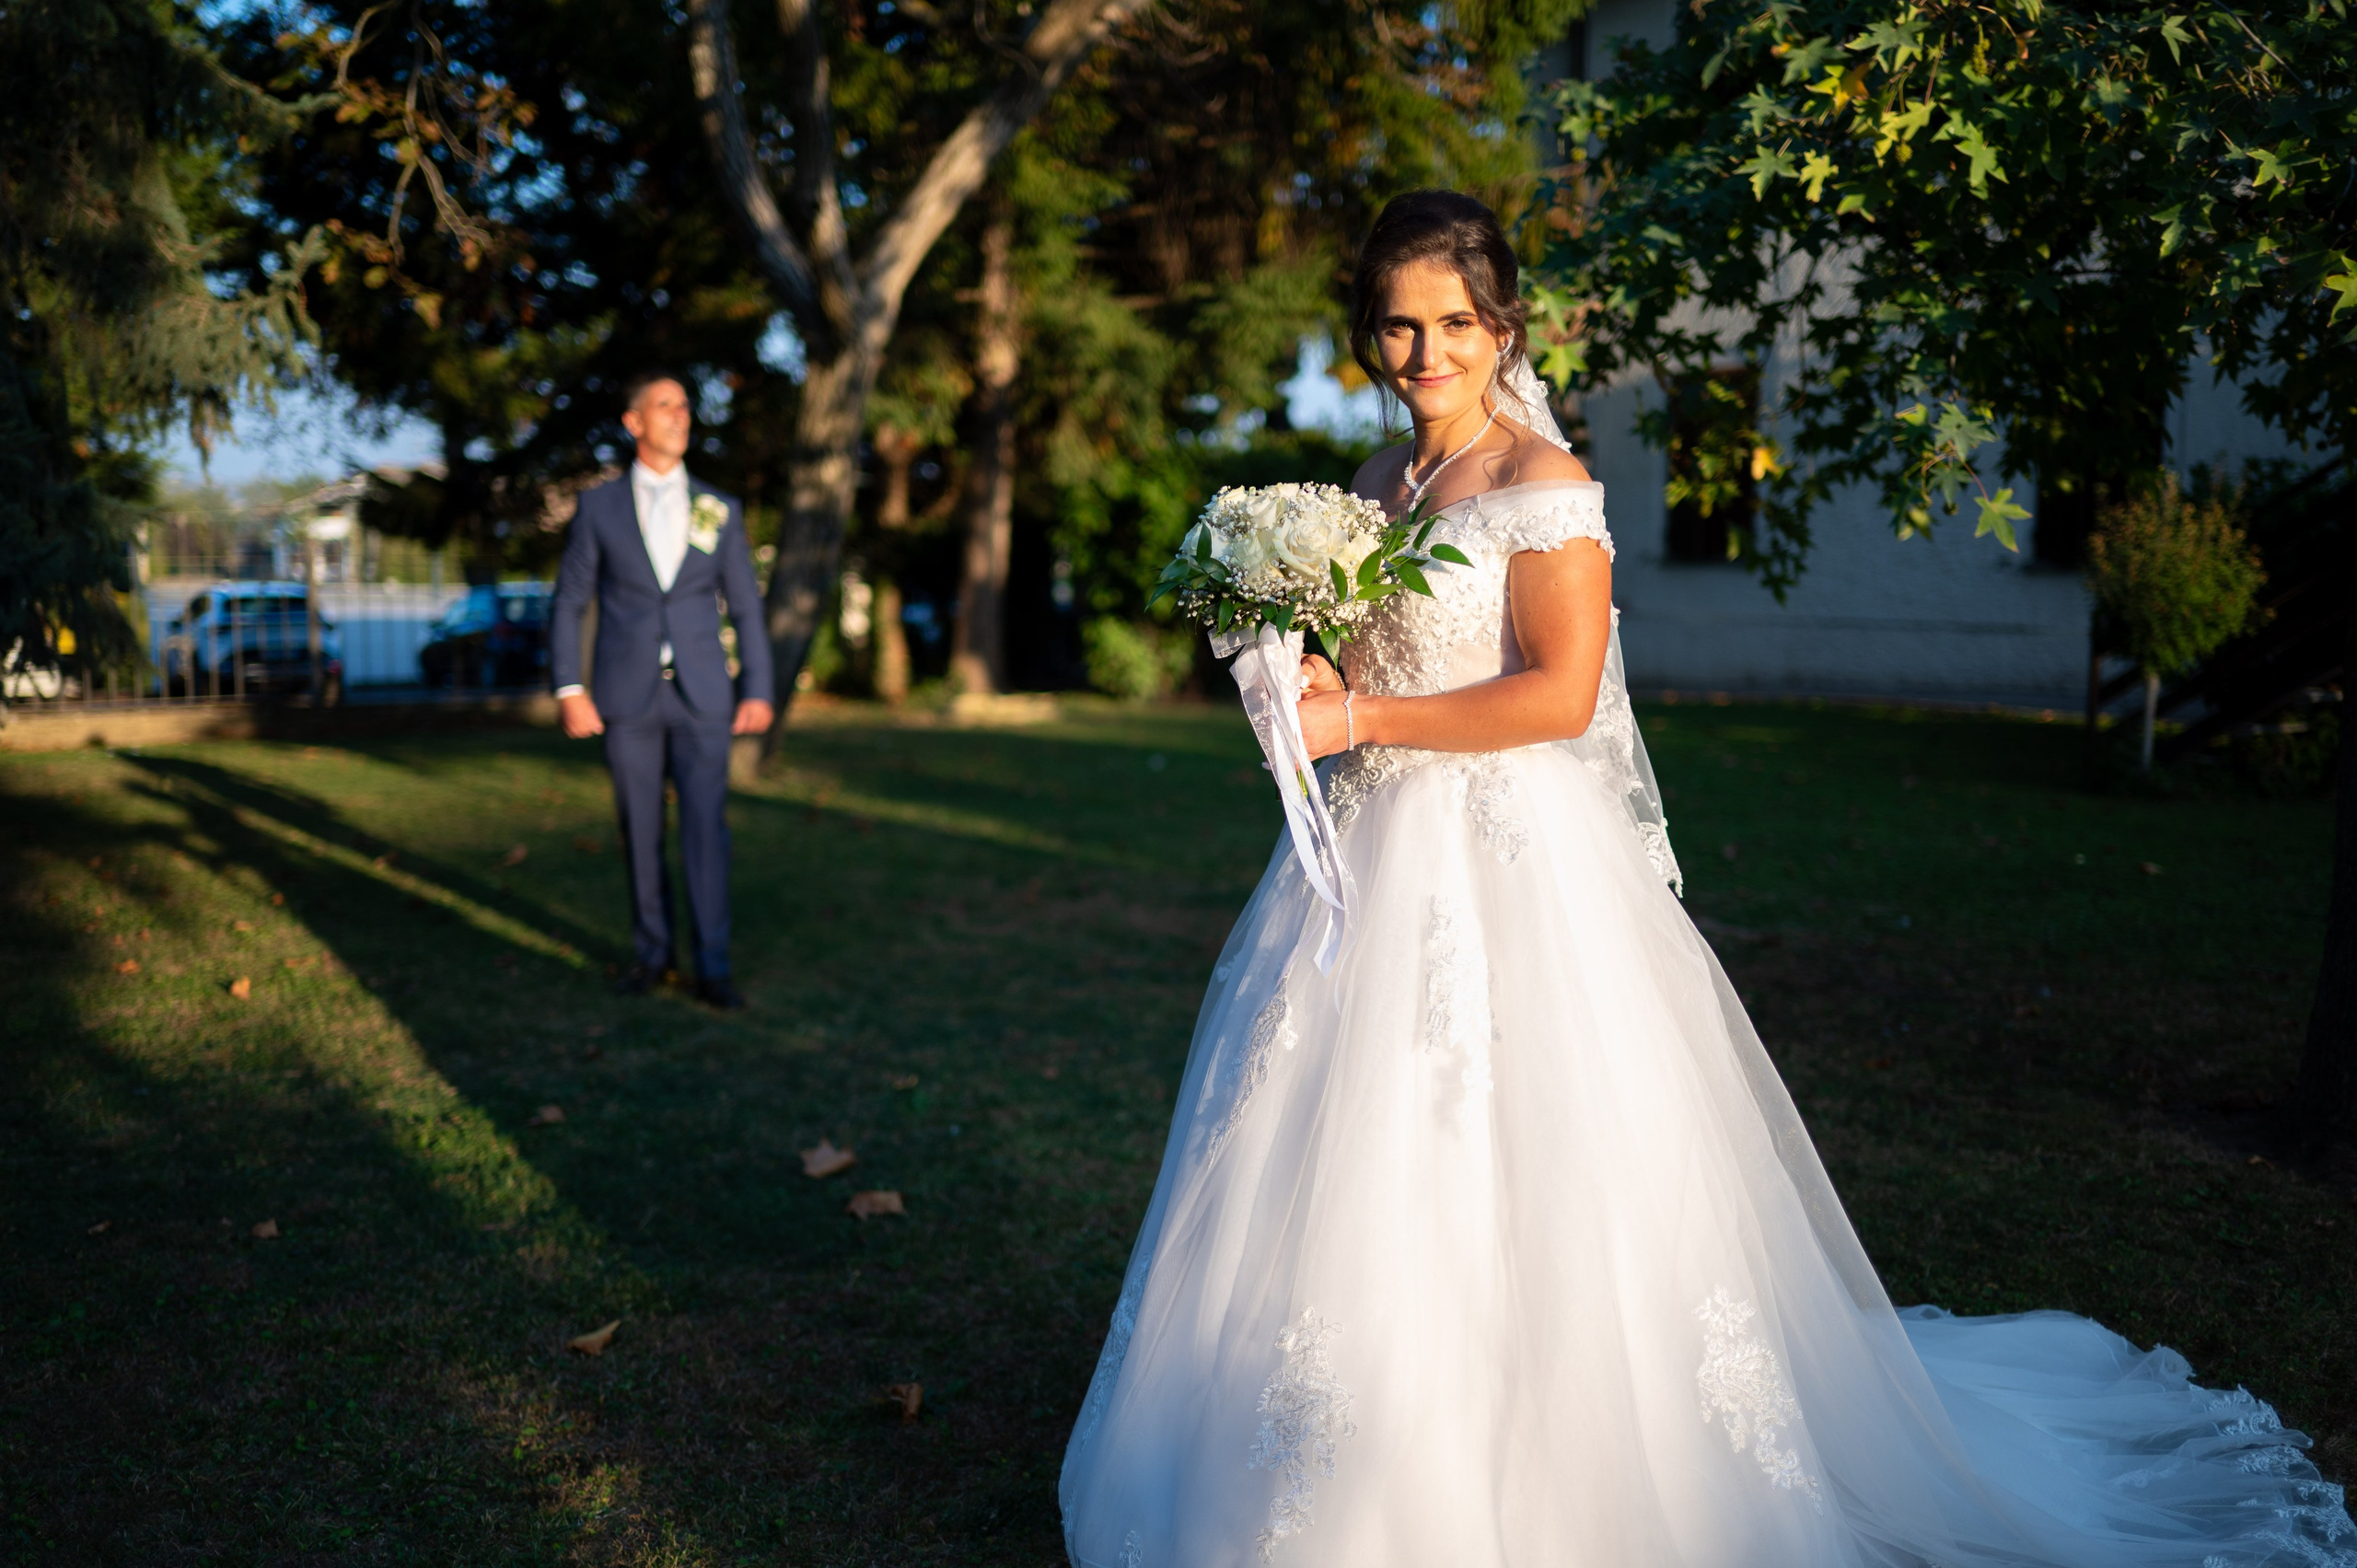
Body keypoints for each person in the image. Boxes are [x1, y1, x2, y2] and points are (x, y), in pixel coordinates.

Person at [1057, 191, 2354, 1567]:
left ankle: (1562, 1465)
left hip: (1505, 862)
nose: (1423, 350)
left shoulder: (1542, 487)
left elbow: (1558, 698)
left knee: (1529, 1148)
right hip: (1370, 857)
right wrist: (1309, 675)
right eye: (1397, 323)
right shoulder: (1375, 487)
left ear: (1504, 326)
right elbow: (1385, 664)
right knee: (1331, 1142)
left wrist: (1362, 719)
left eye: (1452, 322)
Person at [551, 370, 773, 1010]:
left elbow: (748, 609)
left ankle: (713, 966)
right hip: (626, 696)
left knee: (707, 830)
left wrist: (757, 686)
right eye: (665, 405)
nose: (681, 415)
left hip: (705, 695)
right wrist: (570, 687)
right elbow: (570, 601)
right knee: (639, 829)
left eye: (685, 406)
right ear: (634, 423)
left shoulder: (718, 508)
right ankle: (651, 955)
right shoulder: (599, 507)